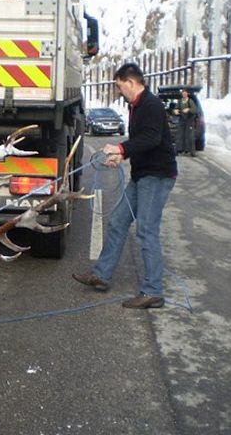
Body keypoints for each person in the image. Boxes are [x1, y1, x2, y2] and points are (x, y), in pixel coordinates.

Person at [72, 63, 177, 309]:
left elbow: (152, 138)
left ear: (130, 82)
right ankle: (102, 275)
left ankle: (153, 291)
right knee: (118, 220)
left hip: (157, 176)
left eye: (120, 87)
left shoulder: (150, 104)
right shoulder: (137, 106)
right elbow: (141, 141)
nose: (120, 92)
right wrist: (122, 155)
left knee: (147, 230)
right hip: (142, 175)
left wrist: (120, 148)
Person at [174, 89, 197, 156]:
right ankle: (178, 150)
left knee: (190, 136)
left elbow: (195, 110)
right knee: (179, 135)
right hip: (181, 120)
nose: (184, 94)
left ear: (187, 94)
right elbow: (175, 108)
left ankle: (192, 152)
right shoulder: (180, 101)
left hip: (189, 120)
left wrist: (189, 109)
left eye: (185, 93)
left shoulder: (190, 101)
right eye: (183, 93)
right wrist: (175, 111)